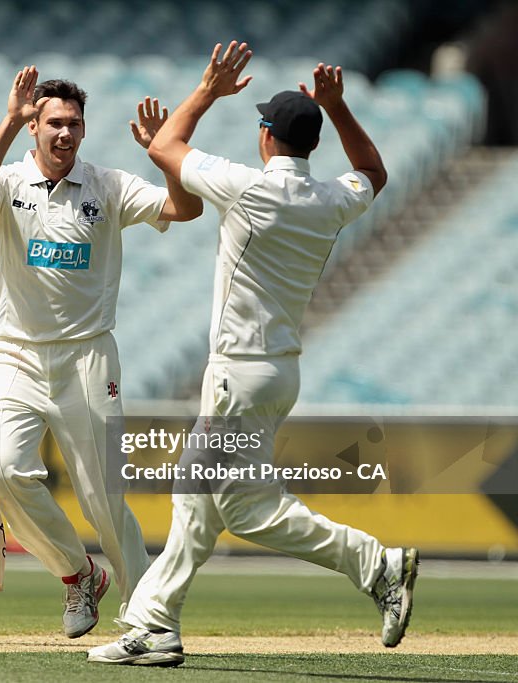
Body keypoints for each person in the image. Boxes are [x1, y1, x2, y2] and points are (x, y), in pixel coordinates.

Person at [88, 42, 417, 667]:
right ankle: (155, 626)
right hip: (279, 369)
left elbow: (163, 149)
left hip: (237, 374)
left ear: (267, 137)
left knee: (244, 507)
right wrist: (340, 108)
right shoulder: (330, 199)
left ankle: (377, 562)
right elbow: (374, 173)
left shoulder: (248, 188)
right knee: (195, 502)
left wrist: (207, 90)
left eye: (261, 125)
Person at [0, 67, 203, 639]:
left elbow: (184, 210)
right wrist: (8, 119)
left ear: (85, 129)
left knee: (102, 498)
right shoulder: (10, 182)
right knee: (2, 470)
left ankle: (148, 616)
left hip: (87, 358)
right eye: (52, 124)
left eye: (73, 123)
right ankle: (78, 574)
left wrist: (166, 156)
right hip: (15, 353)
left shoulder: (108, 185)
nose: (64, 133)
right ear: (33, 129)